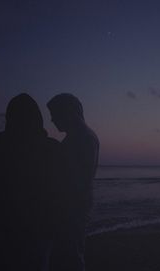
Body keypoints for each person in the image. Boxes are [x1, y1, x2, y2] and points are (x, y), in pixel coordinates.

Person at [0, 93, 59, 271]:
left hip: (3, 226)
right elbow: (65, 187)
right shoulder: (52, 148)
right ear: (38, 118)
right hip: (39, 227)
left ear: (9, 117)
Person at [47, 93, 99, 271]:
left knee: (71, 255)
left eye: (55, 113)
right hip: (73, 206)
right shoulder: (78, 137)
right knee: (69, 254)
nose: (52, 119)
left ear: (68, 112)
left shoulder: (84, 138)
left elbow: (80, 180)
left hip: (73, 208)